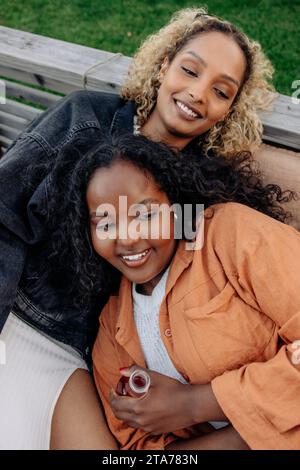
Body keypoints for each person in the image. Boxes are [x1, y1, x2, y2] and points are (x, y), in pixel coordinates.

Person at [0, 7, 288, 449]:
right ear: (163, 66)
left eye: (221, 91)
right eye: (189, 70)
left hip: (89, 354)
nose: (197, 93)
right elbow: (5, 216)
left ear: (228, 110)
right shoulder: (85, 120)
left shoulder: (200, 192)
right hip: (17, 316)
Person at [45, 133, 299, 450]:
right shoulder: (113, 330)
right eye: (106, 224)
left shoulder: (229, 235)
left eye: (146, 214)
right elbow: (139, 446)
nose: (128, 239)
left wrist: (196, 404)